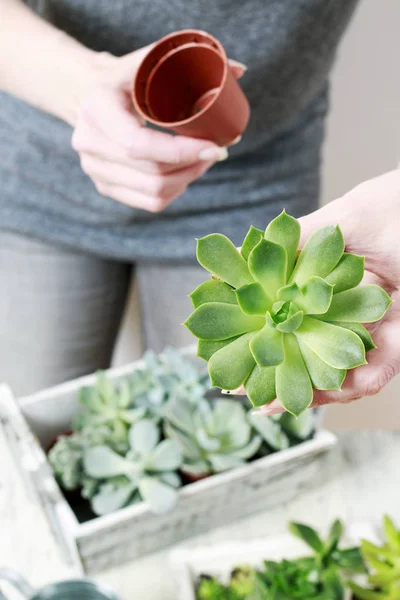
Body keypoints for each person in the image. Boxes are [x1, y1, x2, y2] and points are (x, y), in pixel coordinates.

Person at [0, 0, 377, 399]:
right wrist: (78, 85)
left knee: (238, 431)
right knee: (29, 422)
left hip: (255, 173)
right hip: (41, 165)